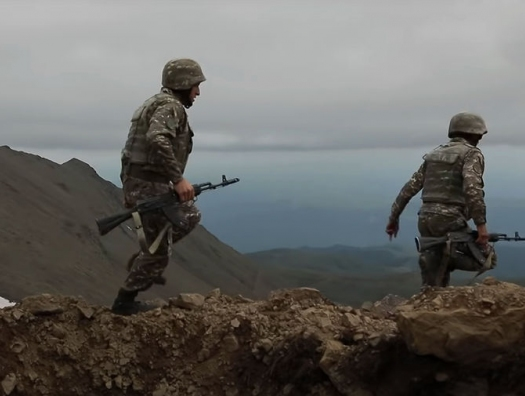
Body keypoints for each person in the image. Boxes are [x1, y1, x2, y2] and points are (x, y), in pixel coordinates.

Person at [110, 58, 206, 315]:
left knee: (189, 216)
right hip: (149, 185)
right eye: (196, 85)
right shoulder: (171, 107)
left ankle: (146, 259)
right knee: (160, 249)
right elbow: (156, 138)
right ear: (183, 83)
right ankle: (125, 302)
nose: (198, 92)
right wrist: (178, 179)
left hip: (142, 182)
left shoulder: (155, 103)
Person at [385, 111, 496, 288]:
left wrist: (393, 218)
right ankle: (447, 254)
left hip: (426, 218)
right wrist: (481, 226)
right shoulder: (471, 154)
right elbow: (472, 189)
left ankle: (434, 273)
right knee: (486, 258)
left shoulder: (434, 154)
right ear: (474, 134)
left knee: (433, 280)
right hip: (450, 219)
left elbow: (409, 188)